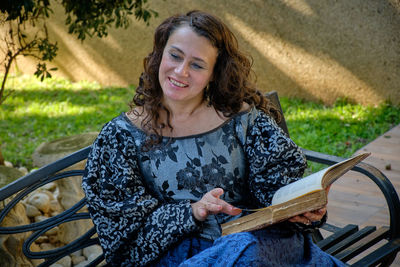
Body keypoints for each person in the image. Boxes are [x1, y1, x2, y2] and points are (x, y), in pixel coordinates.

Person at [82, 10, 345, 267]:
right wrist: (193, 211)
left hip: (259, 241)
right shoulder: (120, 137)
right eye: (175, 56)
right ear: (160, 54)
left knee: (254, 248)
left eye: (197, 65)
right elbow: (122, 236)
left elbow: (277, 190)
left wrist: (304, 208)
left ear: (213, 74)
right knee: (247, 251)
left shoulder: (241, 119)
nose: (181, 71)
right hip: (185, 254)